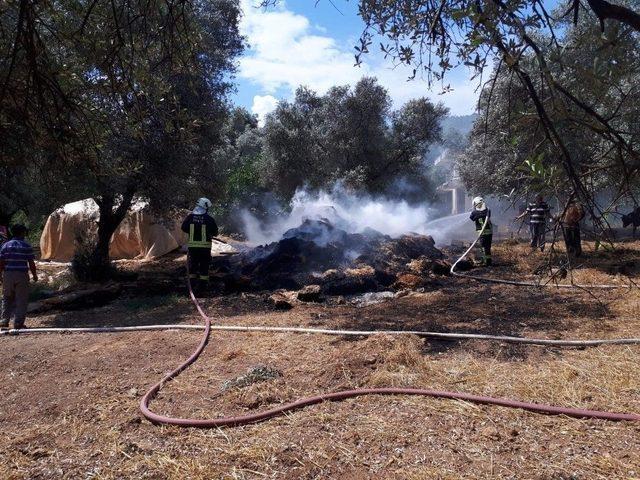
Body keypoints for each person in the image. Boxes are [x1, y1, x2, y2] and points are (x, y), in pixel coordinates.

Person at [0, 224, 38, 330]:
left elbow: (1, 262)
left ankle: (4, 321)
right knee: (21, 299)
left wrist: (0, 274)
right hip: (21, 275)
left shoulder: (6, 245)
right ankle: (18, 323)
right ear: (22, 232)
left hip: (8, 274)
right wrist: (34, 275)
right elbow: (31, 263)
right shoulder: (26, 246)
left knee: (7, 297)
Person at [181, 198, 218, 295]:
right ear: (205, 207)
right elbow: (215, 232)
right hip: (205, 249)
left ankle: (192, 288)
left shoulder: (190, 217)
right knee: (204, 268)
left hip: (193, 248)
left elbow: (183, 227)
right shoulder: (209, 219)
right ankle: (202, 289)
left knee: (192, 267)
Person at [469, 196, 493, 266]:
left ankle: (484, 261)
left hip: (482, 233)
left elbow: (471, 218)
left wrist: (472, 211)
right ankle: (488, 261)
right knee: (487, 247)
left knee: (482, 247)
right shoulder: (488, 210)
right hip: (489, 232)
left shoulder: (474, 213)